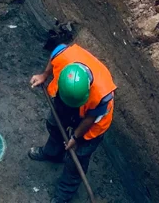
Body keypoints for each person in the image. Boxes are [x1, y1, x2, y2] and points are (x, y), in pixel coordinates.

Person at [29, 43, 117, 203]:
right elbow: (54, 55)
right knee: (55, 126)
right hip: (65, 101)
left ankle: (64, 193)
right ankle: (52, 153)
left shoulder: (102, 95)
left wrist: (75, 138)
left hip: (92, 122)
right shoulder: (64, 55)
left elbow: (89, 119)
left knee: (77, 157)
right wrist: (44, 75)